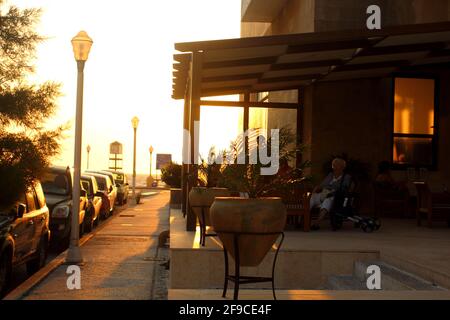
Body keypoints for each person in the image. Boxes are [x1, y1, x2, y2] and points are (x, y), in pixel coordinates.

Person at [310, 158, 352, 230]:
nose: (334, 167)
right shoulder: (330, 175)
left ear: (342, 167)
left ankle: (317, 223)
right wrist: (315, 189)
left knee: (327, 200)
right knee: (312, 198)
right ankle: (303, 221)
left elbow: (343, 188)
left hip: (334, 196)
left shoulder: (346, 177)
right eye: (333, 165)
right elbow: (322, 185)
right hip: (324, 192)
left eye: (337, 165)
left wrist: (330, 188)